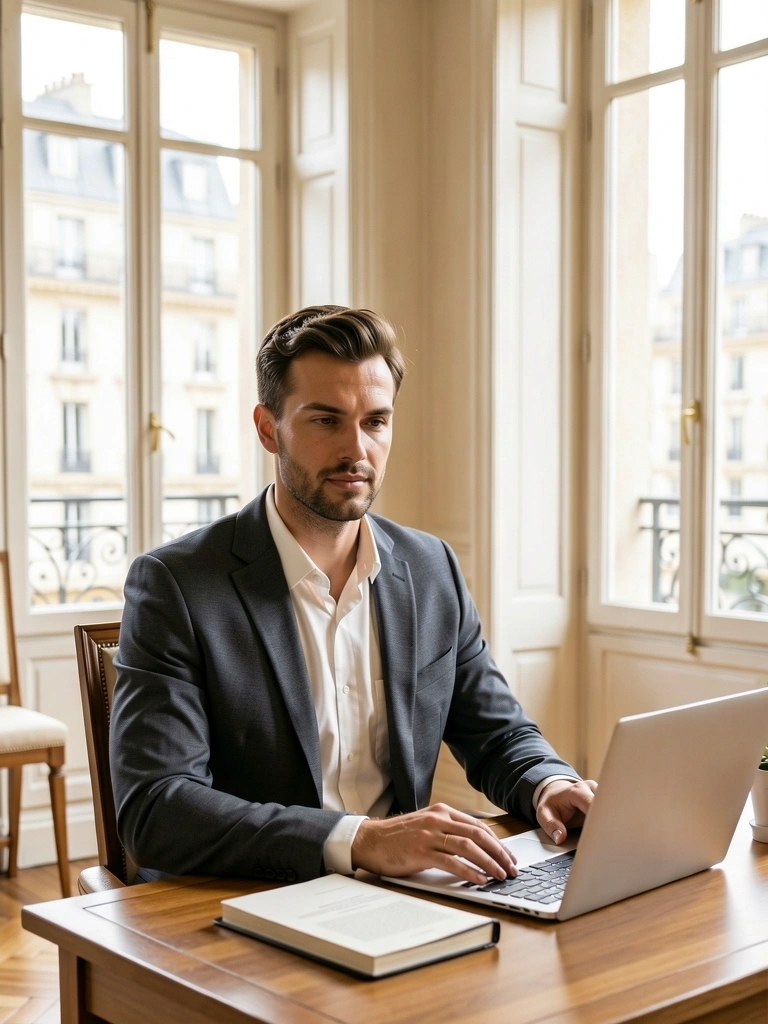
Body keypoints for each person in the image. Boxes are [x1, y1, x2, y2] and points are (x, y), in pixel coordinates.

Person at [111, 305, 596, 886]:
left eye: (375, 422)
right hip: (251, 903)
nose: (356, 450)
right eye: (325, 421)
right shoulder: (177, 586)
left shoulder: (430, 567)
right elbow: (157, 808)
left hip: (411, 897)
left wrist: (550, 783)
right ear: (269, 429)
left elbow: (496, 731)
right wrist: (360, 840)